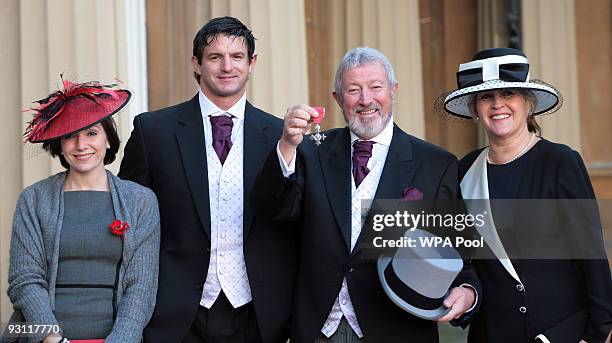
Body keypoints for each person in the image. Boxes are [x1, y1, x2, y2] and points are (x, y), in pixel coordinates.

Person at [253, 47, 480, 342]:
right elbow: (272, 210)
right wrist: (285, 146)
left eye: (376, 87)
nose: (366, 100)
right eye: (353, 90)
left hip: (396, 329)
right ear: (337, 98)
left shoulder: (435, 165)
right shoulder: (309, 152)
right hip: (316, 328)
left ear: (393, 90)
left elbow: (457, 250)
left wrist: (467, 291)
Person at [119, 16, 293, 343]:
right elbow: (128, 221)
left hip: (257, 314)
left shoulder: (279, 137)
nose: (227, 66)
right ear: (196, 64)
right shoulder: (153, 132)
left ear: (252, 63)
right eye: (215, 57)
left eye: (237, 56)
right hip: (174, 315)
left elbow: (292, 221)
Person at [442, 47, 612, 342]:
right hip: (492, 332)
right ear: (474, 109)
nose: (497, 105)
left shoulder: (560, 162)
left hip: (561, 330)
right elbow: (465, 258)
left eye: (508, 94)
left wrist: (602, 329)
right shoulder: (464, 170)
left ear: (528, 104)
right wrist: (464, 292)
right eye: (486, 97)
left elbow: (590, 253)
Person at [3, 79, 160, 343]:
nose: (81, 145)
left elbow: (141, 285)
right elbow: (25, 279)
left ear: (108, 139)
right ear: (60, 145)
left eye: (91, 133)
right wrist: (54, 340)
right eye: (70, 136)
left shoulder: (140, 201)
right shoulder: (34, 199)